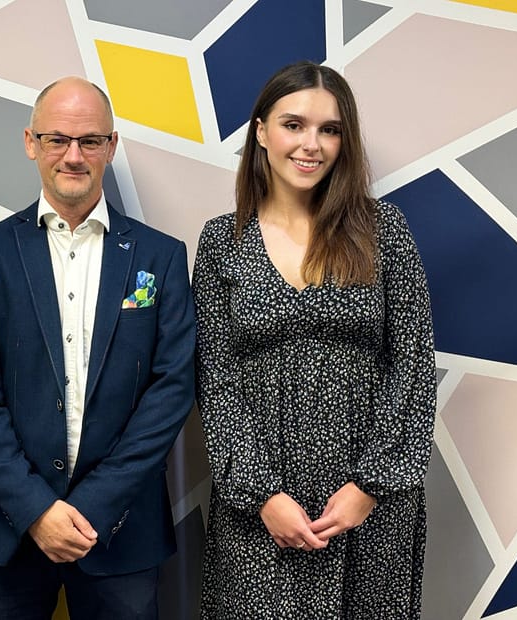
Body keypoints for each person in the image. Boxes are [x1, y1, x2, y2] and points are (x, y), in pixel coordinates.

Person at [193, 61, 436, 618]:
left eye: (330, 129)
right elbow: (217, 380)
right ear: (261, 132)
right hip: (259, 512)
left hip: (369, 508)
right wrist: (263, 498)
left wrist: (369, 487)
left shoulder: (384, 231)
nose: (312, 144)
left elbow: (414, 366)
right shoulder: (221, 243)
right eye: (294, 124)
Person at [0, 76, 195, 619]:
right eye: (57, 139)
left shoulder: (161, 257)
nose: (73, 155)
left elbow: (171, 389)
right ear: (31, 142)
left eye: (89, 141)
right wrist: (37, 510)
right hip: (6, 526)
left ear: (112, 146)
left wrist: (93, 505)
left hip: (121, 531)